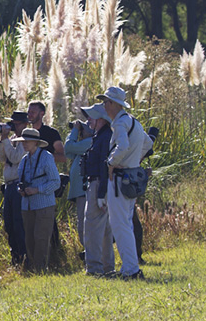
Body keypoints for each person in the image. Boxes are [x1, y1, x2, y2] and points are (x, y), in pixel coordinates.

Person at [97, 86, 153, 280]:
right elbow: (147, 144)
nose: (104, 106)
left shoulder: (120, 123)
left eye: (106, 102)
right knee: (125, 223)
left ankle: (130, 269)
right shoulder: (133, 122)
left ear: (113, 104)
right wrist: (134, 160)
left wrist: (112, 163)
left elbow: (122, 146)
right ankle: (130, 267)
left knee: (120, 224)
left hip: (120, 179)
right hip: (130, 178)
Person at [13, 128, 61, 272]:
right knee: (29, 239)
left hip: (44, 204)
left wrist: (37, 190)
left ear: (36, 142)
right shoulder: (24, 160)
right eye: (23, 141)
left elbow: (56, 182)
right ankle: (33, 268)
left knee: (41, 238)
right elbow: (19, 181)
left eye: (27, 141)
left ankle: (41, 269)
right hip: (27, 205)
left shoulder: (46, 157)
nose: (24, 144)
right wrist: (20, 190)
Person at [27, 101, 65, 266]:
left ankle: (56, 252)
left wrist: (44, 156)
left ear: (42, 113)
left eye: (34, 111)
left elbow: (62, 156)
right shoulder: (25, 134)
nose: (30, 114)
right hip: (29, 185)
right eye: (29, 111)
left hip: (47, 182)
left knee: (48, 220)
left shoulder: (50, 133)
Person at [79, 103, 115, 276]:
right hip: (99, 185)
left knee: (93, 228)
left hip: (98, 184)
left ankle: (94, 268)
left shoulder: (105, 136)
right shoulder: (101, 135)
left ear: (101, 119)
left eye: (91, 116)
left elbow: (104, 165)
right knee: (105, 230)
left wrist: (101, 193)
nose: (88, 120)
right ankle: (108, 267)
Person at [0, 111, 29, 266]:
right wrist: (3, 139)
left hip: (18, 184)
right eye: (12, 123)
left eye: (16, 124)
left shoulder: (26, 140)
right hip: (9, 186)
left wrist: (7, 142)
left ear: (25, 124)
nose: (13, 126)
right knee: (9, 224)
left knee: (18, 223)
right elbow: (1, 158)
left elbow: (16, 158)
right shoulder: (12, 140)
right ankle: (15, 257)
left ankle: (24, 257)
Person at [64, 112, 94, 255]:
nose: (83, 128)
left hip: (83, 191)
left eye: (86, 126)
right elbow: (68, 151)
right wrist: (77, 132)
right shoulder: (82, 145)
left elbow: (68, 147)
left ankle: (91, 253)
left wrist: (75, 130)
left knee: (84, 224)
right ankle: (89, 252)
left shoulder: (90, 142)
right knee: (82, 223)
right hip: (79, 191)